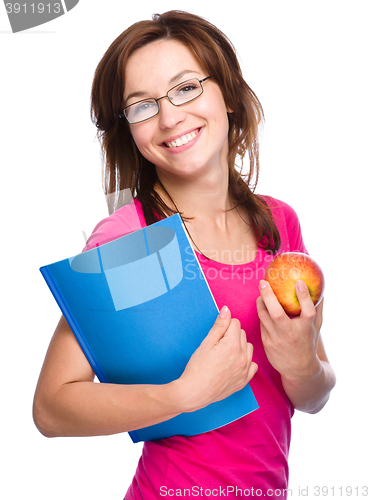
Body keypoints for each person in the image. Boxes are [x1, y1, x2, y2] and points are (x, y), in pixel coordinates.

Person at [33, 10, 336, 499]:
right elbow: (51, 408)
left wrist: (302, 364)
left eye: (186, 88)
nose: (170, 117)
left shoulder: (278, 224)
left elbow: (314, 396)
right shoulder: (129, 239)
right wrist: (182, 396)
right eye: (142, 105)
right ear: (127, 129)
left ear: (229, 95)